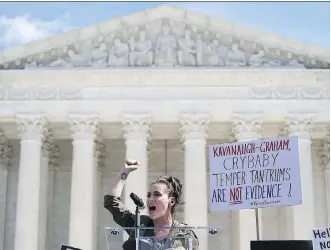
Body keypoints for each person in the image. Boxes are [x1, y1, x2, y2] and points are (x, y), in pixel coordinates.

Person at [104, 160, 199, 250]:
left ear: (172, 201)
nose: (150, 199)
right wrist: (125, 171)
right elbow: (112, 203)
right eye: (149, 195)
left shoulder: (185, 234)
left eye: (157, 194)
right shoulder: (140, 225)